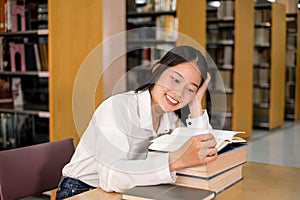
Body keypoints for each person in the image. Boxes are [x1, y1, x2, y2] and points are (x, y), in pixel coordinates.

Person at [55, 45, 218, 199]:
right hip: (83, 191)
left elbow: (203, 149)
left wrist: (196, 104)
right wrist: (175, 160)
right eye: (175, 79)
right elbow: (110, 177)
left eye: (190, 89)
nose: (179, 93)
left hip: (133, 190)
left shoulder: (169, 118)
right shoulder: (117, 108)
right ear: (157, 70)